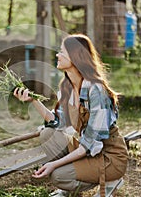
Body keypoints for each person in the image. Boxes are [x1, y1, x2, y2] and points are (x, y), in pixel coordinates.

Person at [13, 34, 128, 197]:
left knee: (58, 175)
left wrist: (54, 165)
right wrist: (33, 100)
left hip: (108, 157)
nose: (57, 55)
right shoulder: (67, 86)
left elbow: (88, 145)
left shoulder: (96, 91)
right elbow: (57, 122)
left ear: (75, 56)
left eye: (61, 51)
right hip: (88, 151)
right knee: (47, 133)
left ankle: (110, 180)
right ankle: (71, 184)